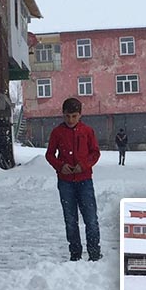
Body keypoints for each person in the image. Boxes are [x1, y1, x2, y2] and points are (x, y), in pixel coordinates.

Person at [45, 98, 102, 262]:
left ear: (80, 115)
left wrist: (84, 165)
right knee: (70, 220)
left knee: (91, 219)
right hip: (65, 182)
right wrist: (60, 166)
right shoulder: (57, 133)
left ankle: (94, 254)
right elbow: (49, 154)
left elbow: (95, 153)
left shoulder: (87, 131)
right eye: (68, 116)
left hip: (85, 181)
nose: (70, 120)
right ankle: (75, 254)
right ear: (63, 115)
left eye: (74, 116)